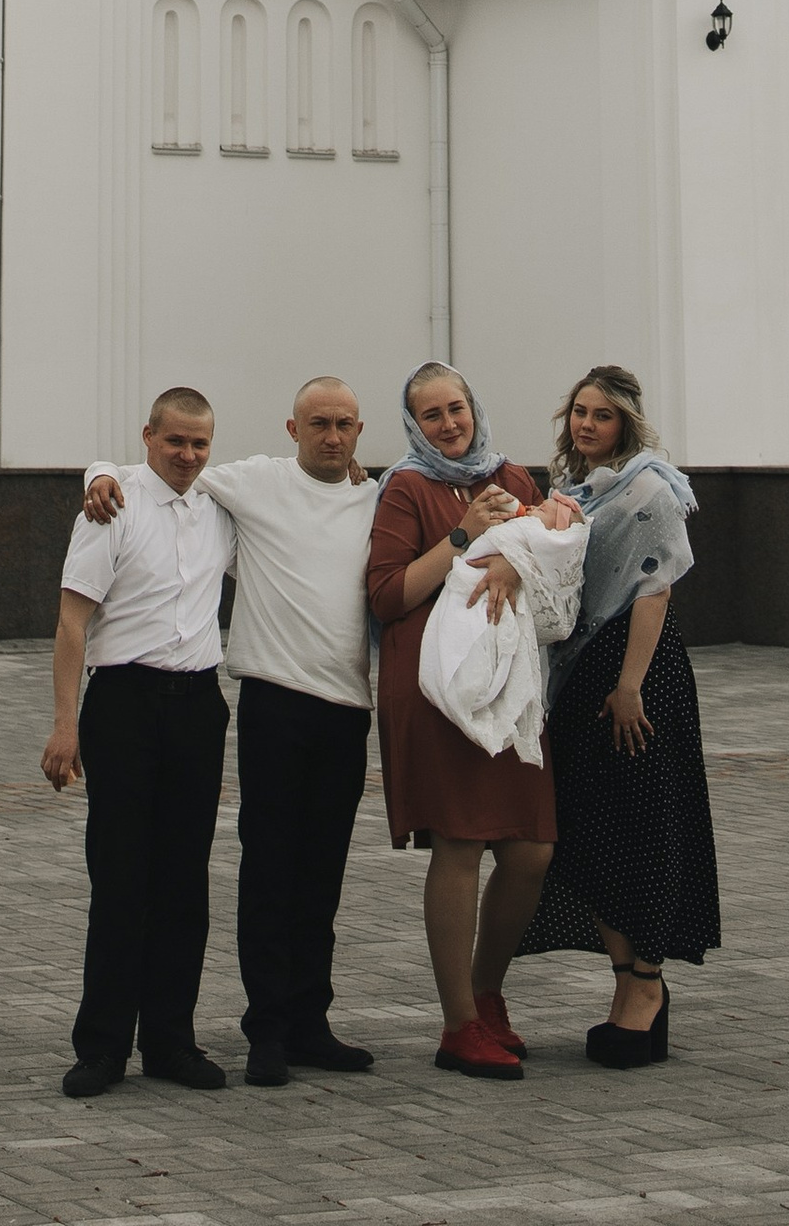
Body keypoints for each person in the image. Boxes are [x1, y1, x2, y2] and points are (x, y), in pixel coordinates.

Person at [84, 374, 381, 1087]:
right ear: (292, 428)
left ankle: (305, 1023)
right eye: (318, 424)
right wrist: (97, 473)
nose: (332, 436)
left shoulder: (376, 497)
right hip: (269, 703)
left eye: (344, 424)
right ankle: (263, 1032)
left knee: (316, 876)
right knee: (264, 870)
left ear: (360, 432)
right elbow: (157, 471)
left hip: (344, 707)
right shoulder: (251, 483)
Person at [507, 362, 721, 1066]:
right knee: (588, 834)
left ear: (625, 421)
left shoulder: (650, 491)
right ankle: (627, 980)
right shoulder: (573, 492)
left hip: (637, 678)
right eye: (579, 412)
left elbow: (654, 590)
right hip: (579, 679)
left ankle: (646, 988)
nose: (586, 425)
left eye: (601, 415)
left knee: (642, 828)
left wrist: (629, 688)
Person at [367, 361, 576, 1080]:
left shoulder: (514, 478)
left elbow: (543, 559)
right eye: (432, 415)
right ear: (413, 425)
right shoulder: (405, 487)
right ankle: (458, 1024)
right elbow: (389, 594)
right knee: (459, 844)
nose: (449, 423)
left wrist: (522, 558)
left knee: (531, 850)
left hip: (509, 681)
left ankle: (488, 994)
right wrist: (461, 534)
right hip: (434, 685)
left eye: (456, 408)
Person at [42, 384, 235, 1097]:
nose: (187, 455)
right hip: (122, 705)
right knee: (121, 879)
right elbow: (71, 625)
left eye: (200, 444)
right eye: (175, 441)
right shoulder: (111, 506)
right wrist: (66, 726)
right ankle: (101, 1047)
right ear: (148, 436)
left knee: (184, 883)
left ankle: (171, 1042)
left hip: (198, 708)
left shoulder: (221, 506)